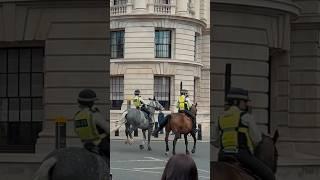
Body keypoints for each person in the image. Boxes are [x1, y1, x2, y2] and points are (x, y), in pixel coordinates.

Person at [212, 87, 275, 180]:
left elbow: (214, 140)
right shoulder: (247, 117)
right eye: (244, 101)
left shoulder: (220, 117)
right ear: (237, 101)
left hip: (223, 155)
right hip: (241, 155)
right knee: (269, 175)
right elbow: (257, 139)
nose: (246, 104)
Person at [73, 89, 109, 162]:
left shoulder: (77, 116)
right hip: (100, 145)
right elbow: (108, 129)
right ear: (91, 102)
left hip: (86, 145)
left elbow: (77, 131)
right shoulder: (94, 114)